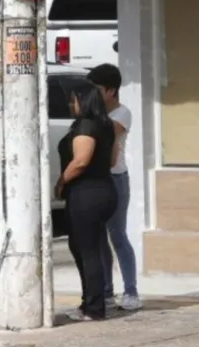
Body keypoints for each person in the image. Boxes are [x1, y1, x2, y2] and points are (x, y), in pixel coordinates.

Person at [55, 81, 118, 321]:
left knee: (87, 250)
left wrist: (61, 182)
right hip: (104, 190)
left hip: (87, 193)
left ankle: (94, 307)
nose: (71, 104)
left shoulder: (86, 125)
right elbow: (112, 160)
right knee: (84, 247)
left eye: (74, 99)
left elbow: (81, 161)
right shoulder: (106, 125)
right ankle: (90, 302)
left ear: (85, 99)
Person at [86, 63, 143, 311]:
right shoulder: (93, 114)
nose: (91, 95)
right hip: (95, 180)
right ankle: (106, 291)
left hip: (116, 179)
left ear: (110, 91)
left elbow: (104, 134)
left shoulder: (122, 114)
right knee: (99, 238)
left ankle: (130, 291)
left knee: (117, 235)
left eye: (96, 89)